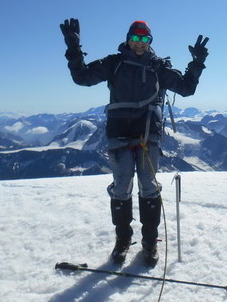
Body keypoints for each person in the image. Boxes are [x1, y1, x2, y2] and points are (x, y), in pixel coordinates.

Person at [60, 18, 209, 266]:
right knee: (121, 187)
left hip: (146, 133)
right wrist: (73, 47)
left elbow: (185, 88)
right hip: (120, 132)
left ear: (150, 42)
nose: (139, 43)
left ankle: (149, 242)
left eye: (145, 39)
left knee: (148, 186)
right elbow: (82, 78)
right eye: (136, 38)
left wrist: (197, 63)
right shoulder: (114, 63)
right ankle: (123, 240)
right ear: (129, 38)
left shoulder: (158, 67)